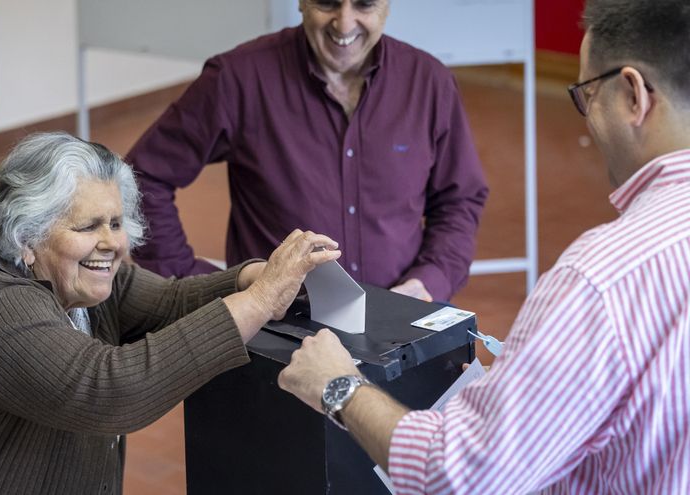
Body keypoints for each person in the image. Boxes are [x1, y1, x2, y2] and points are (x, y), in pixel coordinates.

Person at [278, 0, 690, 492]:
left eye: (586, 96)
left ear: (633, 95)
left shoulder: (601, 278)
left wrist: (339, 386)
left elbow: (463, 474)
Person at [0, 132, 340, 494]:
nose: (110, 243)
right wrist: (257, 303)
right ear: (26, 237)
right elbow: (109, 390)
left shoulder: (88, 281)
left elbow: (169, 303)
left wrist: (250, 278)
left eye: (115, 222)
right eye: (88, 226)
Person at [127, 0, 488, 302]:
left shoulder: (429, 82)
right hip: (275, 330)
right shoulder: (237, 78)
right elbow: (142, 177)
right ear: (300, 2)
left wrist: (429, 281)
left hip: (398, 328)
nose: (344, 22)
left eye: (364, 4)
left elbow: (460, 199)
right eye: (328, 2)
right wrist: (195, 281)